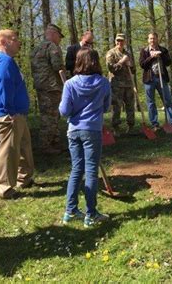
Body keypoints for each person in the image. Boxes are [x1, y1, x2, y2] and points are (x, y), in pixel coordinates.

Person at [59, 48, 111, 227]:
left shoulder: (70, 84)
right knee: (90, 172)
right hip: (92, 131)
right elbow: (106, 107)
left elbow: (64, 111)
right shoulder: (103, 83)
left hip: (74, 130)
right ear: (96, 62)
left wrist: (75, 109)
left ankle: (70, 210)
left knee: (76, 170)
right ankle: (90, 214)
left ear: (78, 62)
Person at [0, 30, 35, 199]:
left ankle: (24, 178)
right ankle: (4, 188)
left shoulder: (3, 60)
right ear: (4, 42)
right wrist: (10, 110)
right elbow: (5, 86)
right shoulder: (3, 60)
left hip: (15, 113)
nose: (19, 42)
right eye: (15, 39)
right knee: (9, 150)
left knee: (23, 145)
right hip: (8, 114)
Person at [30, 23, 66, 154]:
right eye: (59, 37)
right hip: (52, 86)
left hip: (41, 86)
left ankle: (55, 143)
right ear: (53, 34)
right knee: (51, 117)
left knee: (49, 115)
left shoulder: (36, 49)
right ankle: (45, 146)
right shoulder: (52, 47)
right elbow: (58, 67)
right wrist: (67, 82)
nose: (59, 39)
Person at [139, 32, 172, 131]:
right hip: (149, 80)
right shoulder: (144, 51)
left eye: (154, 38)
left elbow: (168, 62)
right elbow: (142, 64)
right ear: (148, 40)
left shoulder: (163, 50)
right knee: (151, 102)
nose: (152, 41)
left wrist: (160, 56)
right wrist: (151, 57)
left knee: (168, 101)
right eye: (151, 39)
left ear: (157, 39)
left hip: (161, 78)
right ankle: (155, 124)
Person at [106, 33, 135, 135]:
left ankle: (131, 126)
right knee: (116, 106)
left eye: (122, 40)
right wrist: (122, 62)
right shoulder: (111, 53)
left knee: (130, 106)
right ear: (115, 41)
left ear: (125, 42)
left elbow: (133, 70)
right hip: (116, 84)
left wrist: (130, 65)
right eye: (118, 40)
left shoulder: (128, 54)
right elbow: (111, 68)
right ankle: (116, 127)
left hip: (128, 84)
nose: (120, 42)